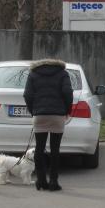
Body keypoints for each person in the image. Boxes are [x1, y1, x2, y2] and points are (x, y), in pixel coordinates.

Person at [23, 59, 73, 192]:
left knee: (39, 148)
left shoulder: (33, 74)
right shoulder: (63, 73)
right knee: (55, 149)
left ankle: (41, 181)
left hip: (40, 115)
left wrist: (33, 111)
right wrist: (67, 110)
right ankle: (53, 182)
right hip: (58, 115)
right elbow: (68, 92)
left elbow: (27, 94)